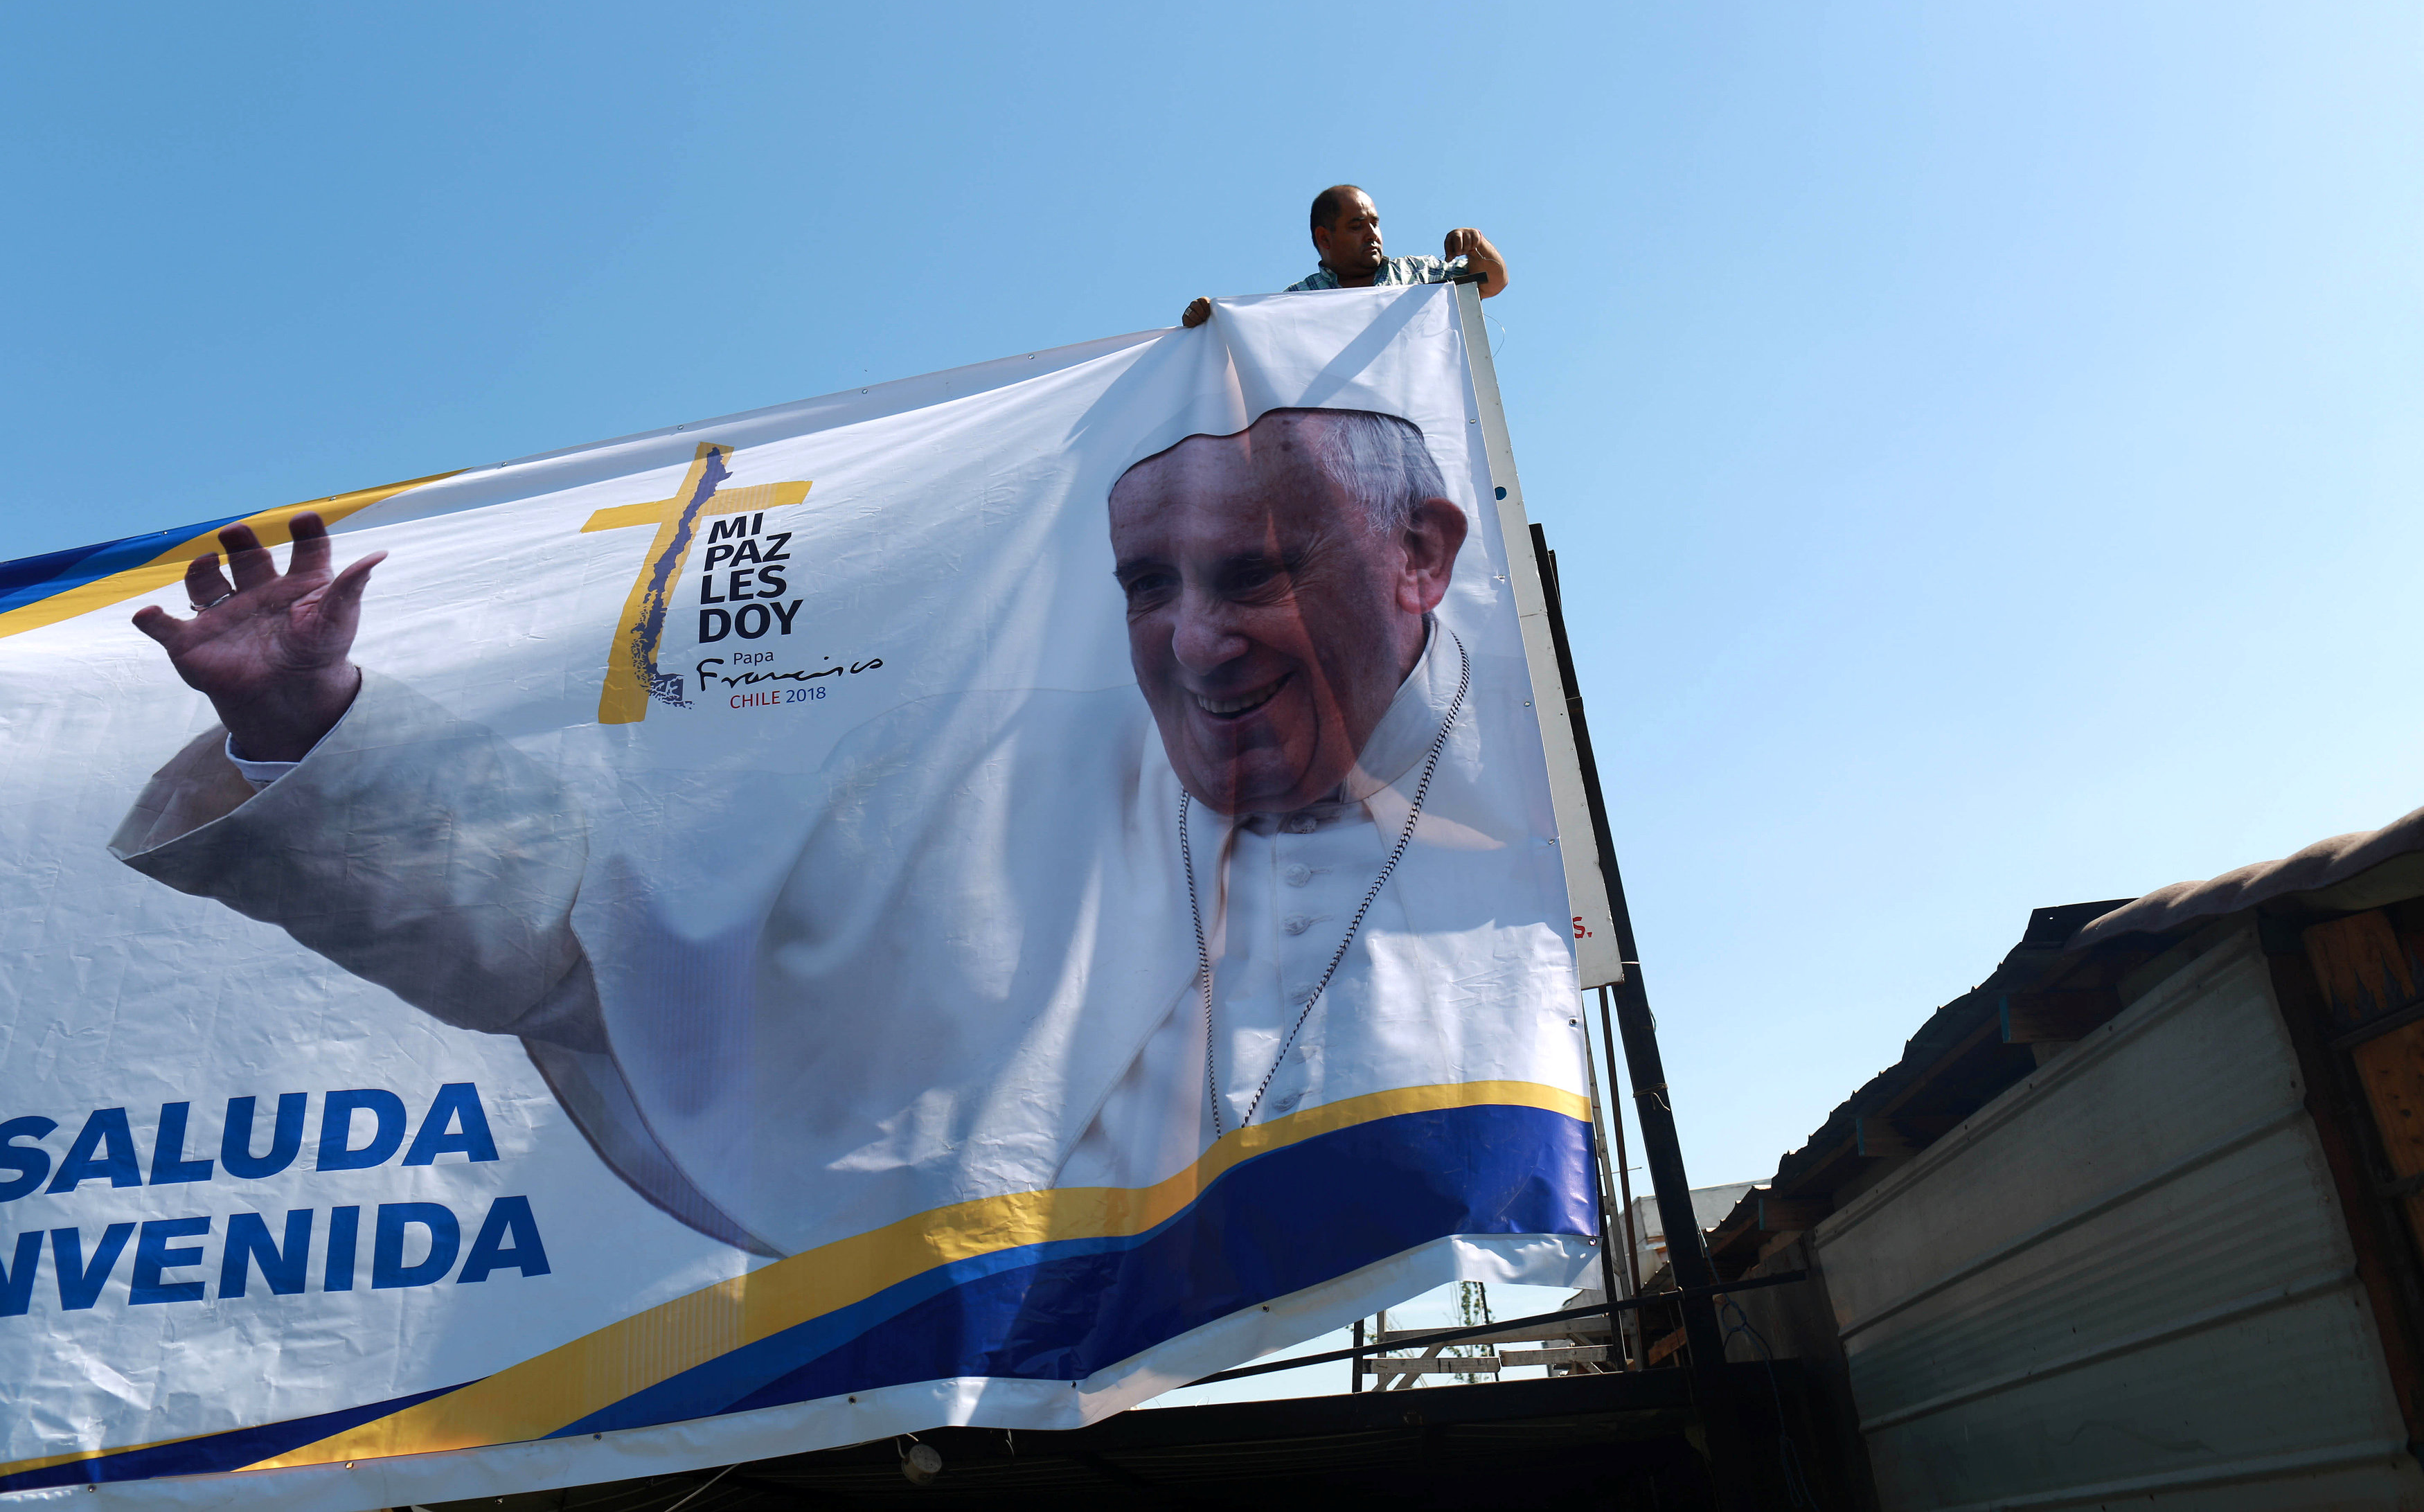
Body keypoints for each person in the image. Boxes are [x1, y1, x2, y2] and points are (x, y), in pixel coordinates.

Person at [110, 409, 1578, 1258]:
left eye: (1255, 572)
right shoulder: (986, 767)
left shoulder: (1521, 773)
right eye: (1145, 586)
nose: (1194, 644)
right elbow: (602, 928)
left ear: (1422, 557)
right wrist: (313, 729)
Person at [1179, 186, 1508, 327]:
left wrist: (1476, 243)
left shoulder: (1419, 274)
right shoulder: (1297, 302)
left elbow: (1492, 283)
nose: (1371, 234)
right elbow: (1250, 349)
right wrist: (1214, 321)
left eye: (1375, 223)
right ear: (1325, 237)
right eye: (1356, 226)